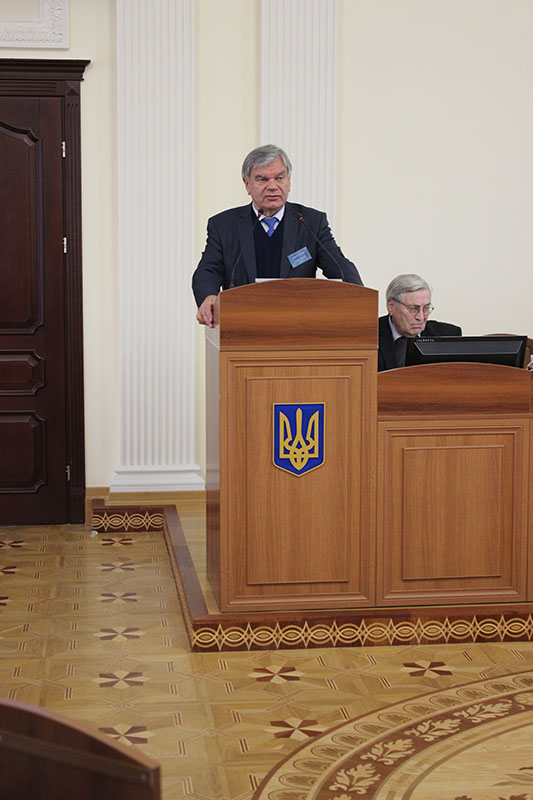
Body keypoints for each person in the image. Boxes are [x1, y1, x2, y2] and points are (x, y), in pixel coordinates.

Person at [192, 144, 363, 326]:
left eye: (279, 178)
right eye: (262, 179)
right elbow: (207, 270)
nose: (272, 186)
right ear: (247, 184)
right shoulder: (224, 225)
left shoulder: (310, 222)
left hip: (298, 327)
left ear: (288, 181)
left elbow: (339, 265)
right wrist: (208, 296)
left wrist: (360, 299)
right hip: (242, 326)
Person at [378, 274, 462, 371]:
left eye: (426, 308)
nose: (421, 317)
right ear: (391, 306)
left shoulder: (448, 336)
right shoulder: (369, 335)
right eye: (413, 309)